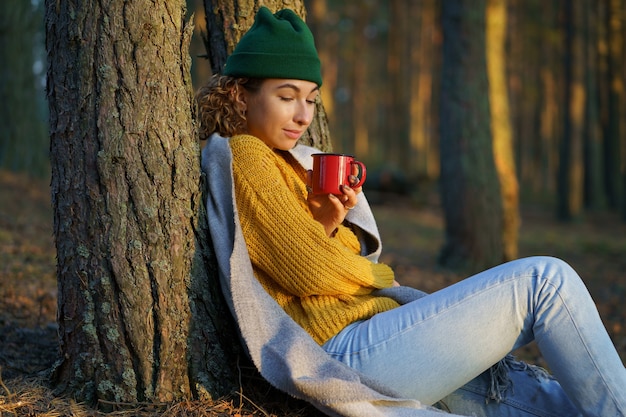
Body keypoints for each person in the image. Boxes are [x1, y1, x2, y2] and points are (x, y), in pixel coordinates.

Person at [196, 6, 626, 417]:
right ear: (240, 95)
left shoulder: (287, 163)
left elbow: (306, 258)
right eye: (287, 96)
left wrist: (325, 224)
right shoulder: (247, 154)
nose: (304, 115)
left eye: (310, 99)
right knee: (545, 282)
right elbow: (309, 271)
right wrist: (380, 276)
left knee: (562, 404)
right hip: (346, 352)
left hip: (383, 341)